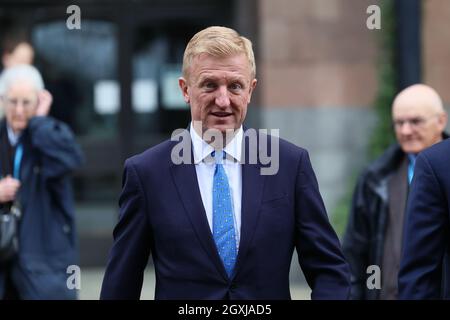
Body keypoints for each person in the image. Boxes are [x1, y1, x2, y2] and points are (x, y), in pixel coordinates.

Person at [100, 26, 350, 300]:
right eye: (210, 85)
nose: (223, 100)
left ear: (250, 90)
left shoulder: (289, 165)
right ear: (185, 89)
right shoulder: (147, 173)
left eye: (235, 86)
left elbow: (330, 272)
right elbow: (120, 284)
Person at [342, 84, 448, 299]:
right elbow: (355, 255)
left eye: (415, 121)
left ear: (441, 121)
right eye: (399, 123)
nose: (405, 130)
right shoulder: (375, 178)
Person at [0, 64, 83, 299]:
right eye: (12, 102)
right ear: (2, 100)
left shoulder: (49, 133)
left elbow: (71, 161)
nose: (18, 110)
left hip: (43, 258)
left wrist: (40, 122)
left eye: (26, 103)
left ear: (38, 101)